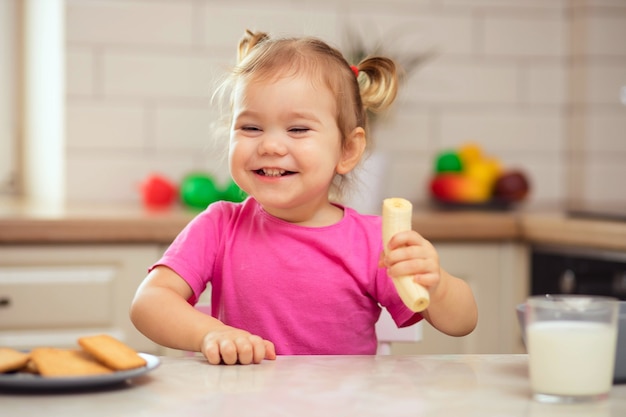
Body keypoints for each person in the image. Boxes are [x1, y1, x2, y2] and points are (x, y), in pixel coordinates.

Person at [130, 30, 478, 365]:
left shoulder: (374, 243)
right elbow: (149, 302)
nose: (269, 145)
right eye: (251, 127)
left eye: (297, 129)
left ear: (348, 149)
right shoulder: (219, 226)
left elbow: (462, 322)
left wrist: (439, 284)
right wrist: (209, 334)